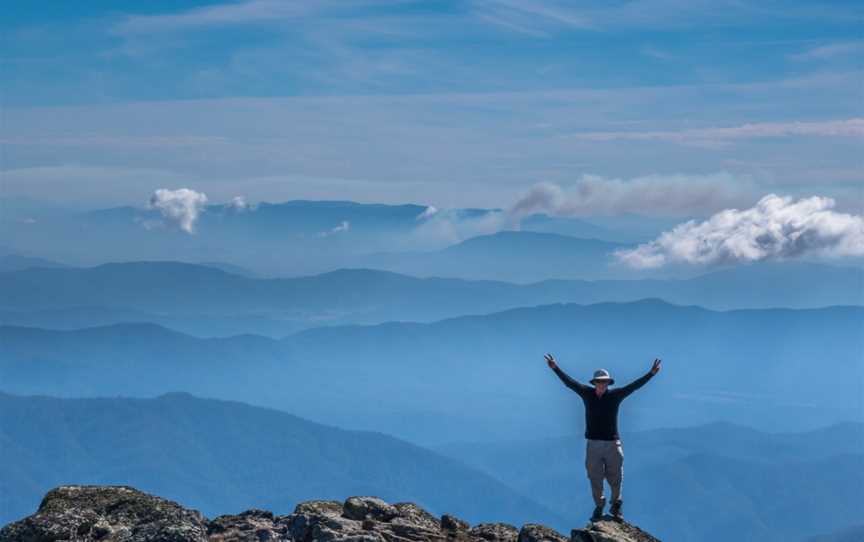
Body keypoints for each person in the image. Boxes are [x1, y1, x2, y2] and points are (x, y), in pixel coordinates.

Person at [545, 353, 661, 522]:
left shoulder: (615, 395)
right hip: (593, 444)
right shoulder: (587, 393)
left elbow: (634, 386)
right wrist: (555, 368)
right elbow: (569, 383)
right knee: (594, 477)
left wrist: (651, 374)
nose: (602, 384)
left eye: (605, 381)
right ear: (594, 383)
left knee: (616, 476)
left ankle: (616, 506)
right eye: (599, 381)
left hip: (612, 443)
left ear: (608, 383)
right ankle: (599, 506)